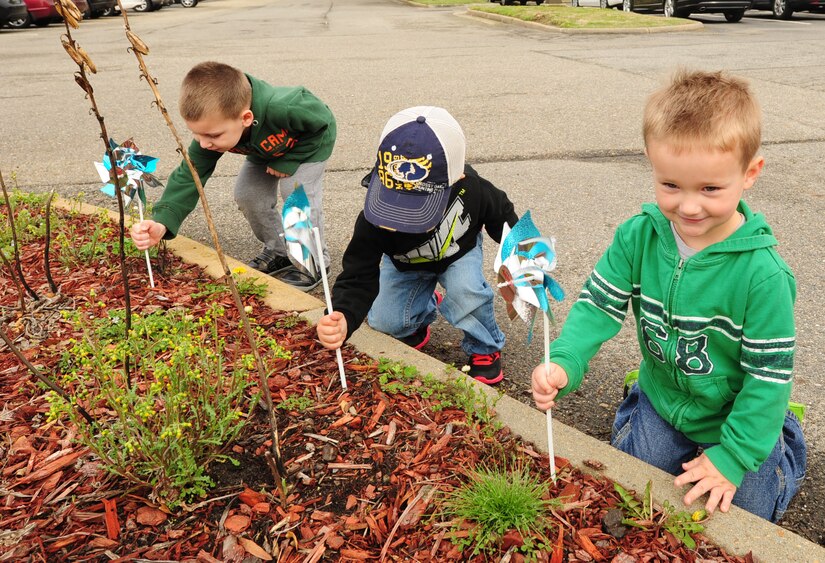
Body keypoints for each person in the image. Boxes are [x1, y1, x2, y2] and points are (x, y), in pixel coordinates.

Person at [531, 69, 806, 523]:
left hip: (734, 411)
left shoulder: (763, 276)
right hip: (665, 396)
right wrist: (564, 360)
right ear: (651, 163)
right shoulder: (638, 237)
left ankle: (783, 442)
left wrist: (733, 457)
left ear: (750, 172)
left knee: (745, 513)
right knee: (629, 484)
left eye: (711, 189)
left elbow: (768, 377)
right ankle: (641, 405)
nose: (689, 206)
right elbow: (599, 305)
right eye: (671, 185)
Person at [316, 106, 518, 384]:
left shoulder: (474, 190)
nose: (400, 217)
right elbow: (357, 275)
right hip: (404, 263)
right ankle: (420, 309)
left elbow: (504, 219)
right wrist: (342, 315)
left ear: (456, 178)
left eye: (415, 207)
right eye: (392, 204)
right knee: (385, 322)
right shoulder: (371, 220)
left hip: (457, 254)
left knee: (466, 292)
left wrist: (522, 258)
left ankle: (484, 347)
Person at [129, 61, 336, 291]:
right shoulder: (211, 132)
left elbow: (323, 123)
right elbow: (190, 175)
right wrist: (161, 222)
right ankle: (280, 251)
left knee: (295, 194)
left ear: (245, 118)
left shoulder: (285, 106)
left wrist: (288, 160)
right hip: (265, 151)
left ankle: (313, 263)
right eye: (196, 134)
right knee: (248, 195)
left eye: (213, 135)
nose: (205, 143)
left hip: (307, 148)